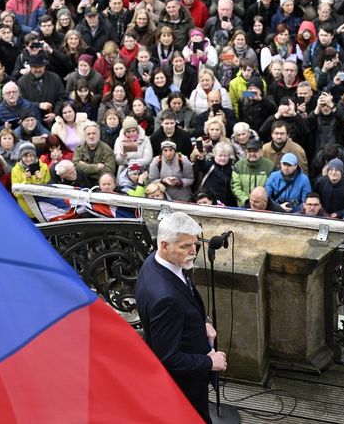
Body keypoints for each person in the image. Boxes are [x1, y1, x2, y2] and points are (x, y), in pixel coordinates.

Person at [135, 212, 227, 423]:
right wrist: (208, 362)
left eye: (194, 244)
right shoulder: (166, 299)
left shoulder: (157, 261)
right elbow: (166, 357)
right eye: (185, 246)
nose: (193, 251)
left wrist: (203, 321)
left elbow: (186, 294)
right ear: (164, 245)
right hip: (184, 382)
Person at [11, 142, 51, 220]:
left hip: (44, 209)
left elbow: (48, 190)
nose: (29, 159)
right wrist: (26, 180)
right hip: (27, 211)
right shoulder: (15, 170)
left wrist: (40, 179)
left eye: (31, 155)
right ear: (21, 157)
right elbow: (16, 194)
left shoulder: (44, 167)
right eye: (25, 156)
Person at [231, 138, 275, 206]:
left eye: (255, 151)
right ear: (245, 151)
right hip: (244, 205)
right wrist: (246, 200)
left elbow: (272, 187)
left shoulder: (270, 166)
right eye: (249, 151)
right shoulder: (238, 165)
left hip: (263, 206)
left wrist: (260, 200)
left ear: (261, 151)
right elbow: (235, 187)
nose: (252, 154)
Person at [73, 121, 117, 188]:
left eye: (94, 133)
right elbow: (75, 165)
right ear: (84, 136)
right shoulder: (79, 149)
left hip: (100, 182)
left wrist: (85, 167)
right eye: (88, 134)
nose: (91, 136)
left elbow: (109, 170)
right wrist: (97, 167)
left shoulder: (107, 150)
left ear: (99, 135)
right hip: (82, 181)